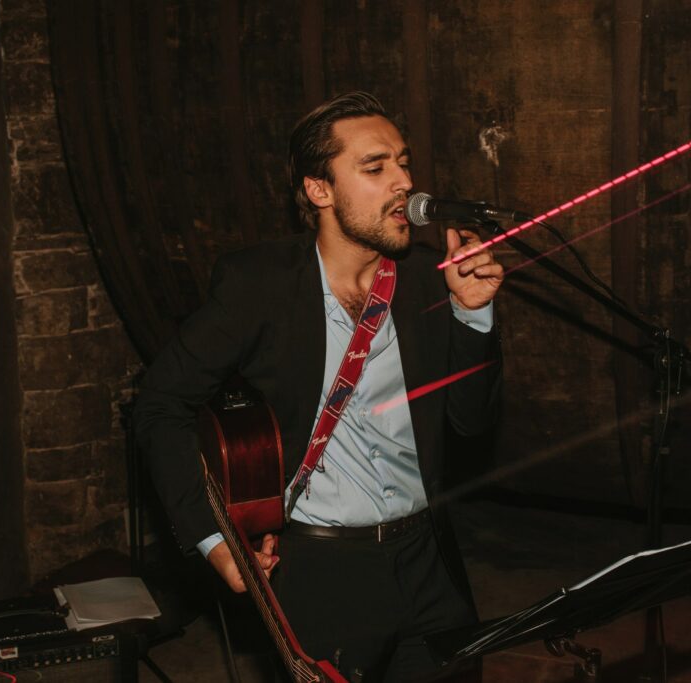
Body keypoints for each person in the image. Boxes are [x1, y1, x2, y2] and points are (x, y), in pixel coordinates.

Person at [134, 91, 504, 681]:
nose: (403, 182)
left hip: (429, 561)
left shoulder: (431, 283)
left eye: (404, 162)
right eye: (375, 167)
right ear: (319, 190)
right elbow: (159, 403)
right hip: (319, 568)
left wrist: (472, 316)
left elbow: (472, 422)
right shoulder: (259, 287)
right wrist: (214, 540)